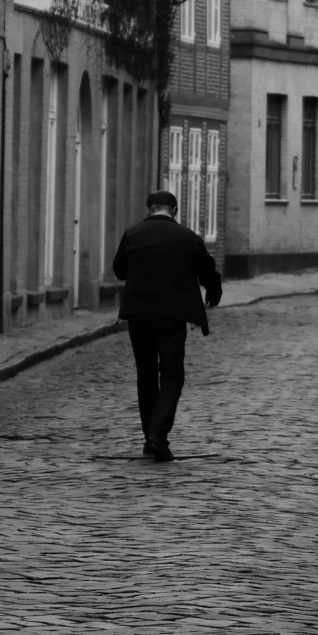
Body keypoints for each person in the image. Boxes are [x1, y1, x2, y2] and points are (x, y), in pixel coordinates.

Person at [109, 189, 223, 462]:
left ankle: (150, 433)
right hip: (171, 316)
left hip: (138, 314)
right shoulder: (187, 237)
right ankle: (158, 434)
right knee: (171, 375)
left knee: (145, 374)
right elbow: (207, 270)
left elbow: (119, 270)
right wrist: (213, 292)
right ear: (174, 211)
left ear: (148, 209)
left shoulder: (132, 233)